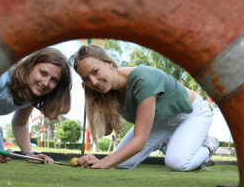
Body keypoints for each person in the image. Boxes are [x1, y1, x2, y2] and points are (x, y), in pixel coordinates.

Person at [72, 45, 219, 171]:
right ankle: (164, 143)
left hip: (191, 114)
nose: (93, 81)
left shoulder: (143, 79)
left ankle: (208, 146)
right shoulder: (107, 92)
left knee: (178, 163)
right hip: (159, 120)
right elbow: (107, 131)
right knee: (122, 163)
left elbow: (139, 141)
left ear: (109, 63)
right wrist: (94, 101)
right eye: (86, 79)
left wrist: (103, 162)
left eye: (95, 71)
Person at [0, 47, 72, 163]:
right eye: (43, 73)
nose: (46, 83)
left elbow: (20, 124)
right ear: (30, 66)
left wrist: (29, 154)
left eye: (54, 80)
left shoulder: (33, 92)